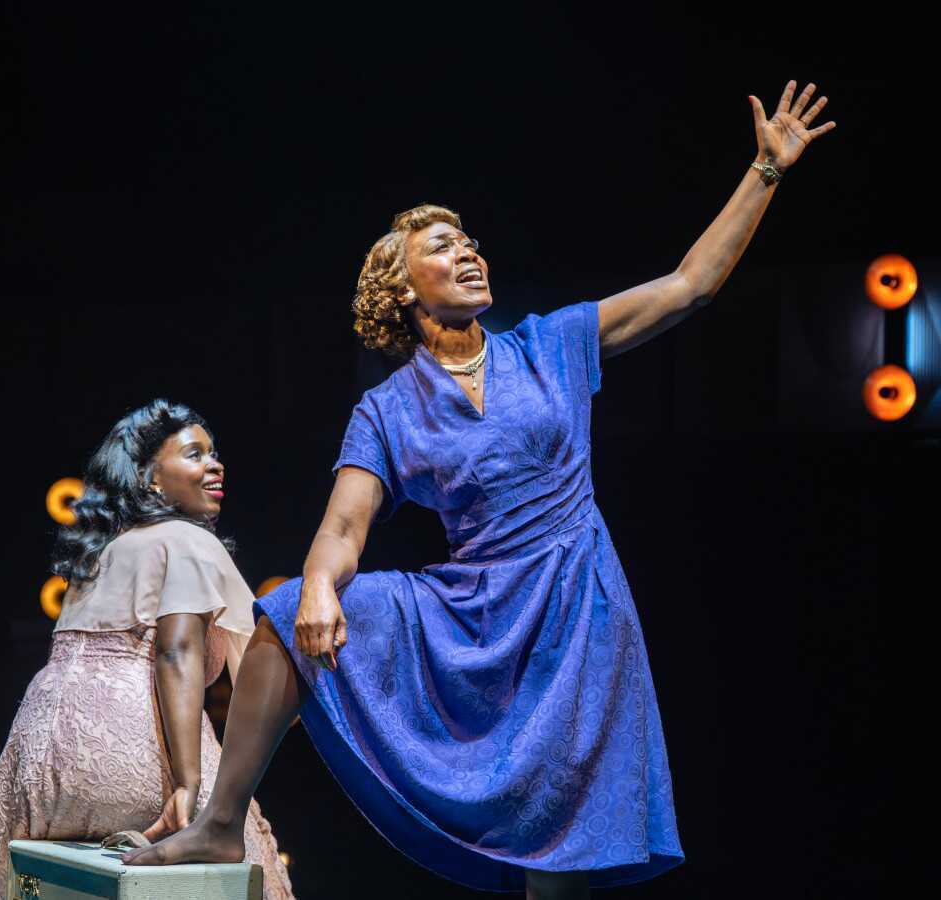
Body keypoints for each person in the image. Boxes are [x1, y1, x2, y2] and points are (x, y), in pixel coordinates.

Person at [123, 80, 836, 898]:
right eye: (443, 246)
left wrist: (765, 172)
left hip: (576, 609)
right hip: (475, 610)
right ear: (402, 290)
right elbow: (345, 529)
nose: (469, 253)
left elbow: (689, 285)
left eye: (470, 242)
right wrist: (318, 583)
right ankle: (219, 823)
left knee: (560, 848)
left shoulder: (550, 345)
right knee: (282, 618)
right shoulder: (388, 409)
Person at [0, 400, 294, 900]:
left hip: (39, 757)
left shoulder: (99, 553)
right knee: (244, 851)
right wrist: (187, 783)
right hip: (132, 752)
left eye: (214, 453)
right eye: (195, 454)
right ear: (150, 479)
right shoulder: (187, 540)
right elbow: (177, 653)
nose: (216, 465)